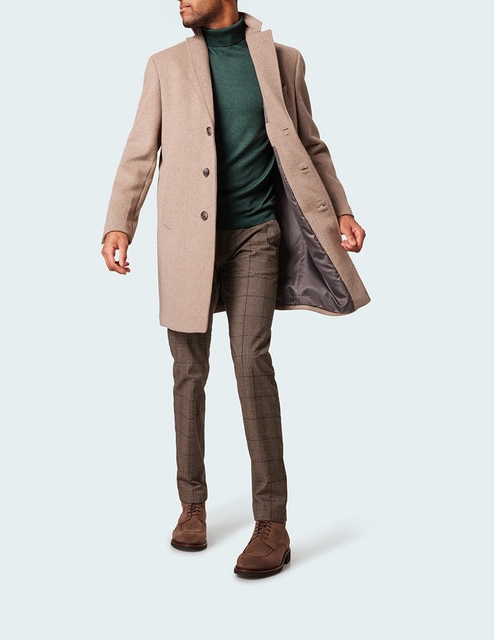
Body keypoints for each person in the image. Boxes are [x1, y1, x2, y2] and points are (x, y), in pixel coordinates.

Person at [101, 0, 369, 579]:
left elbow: (311, 144)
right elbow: (140, 152)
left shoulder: (284, 60)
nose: (177, 1)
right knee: (189, 371)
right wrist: (119, 222)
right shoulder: (165, 65)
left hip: (256, 236)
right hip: (185, 243)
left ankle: (272, 522)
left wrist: (342, 210)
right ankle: (192, 505)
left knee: (251, 362)